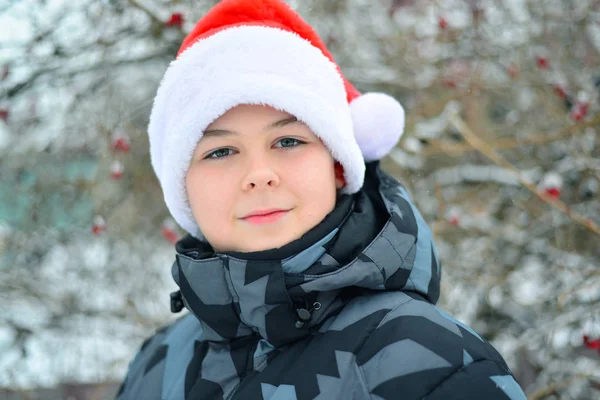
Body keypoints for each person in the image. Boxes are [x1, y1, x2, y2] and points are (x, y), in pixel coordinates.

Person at [116, 0, 527, 399]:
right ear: (183, 185)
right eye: (220, 152)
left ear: (336, 165)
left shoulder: (433, 366)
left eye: (288, 140)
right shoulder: (157, 363)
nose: (259, 175)